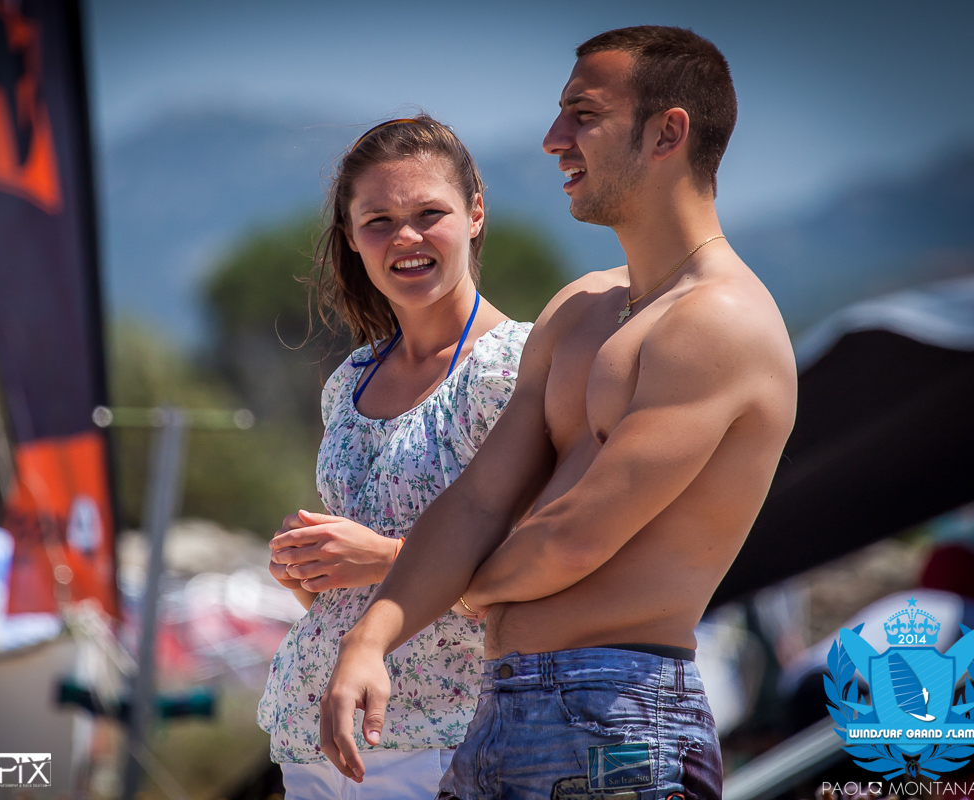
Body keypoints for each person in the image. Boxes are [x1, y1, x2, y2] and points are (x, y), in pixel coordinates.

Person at [319, 26, 799, 800]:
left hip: (623, 711)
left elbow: (575, 537)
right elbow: (477, 500)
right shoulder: (581, 308)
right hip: (505, 708)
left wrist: (441, 587)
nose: (553, 139)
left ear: (667, 133)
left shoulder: (719, 320)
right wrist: (369, 638)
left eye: (583, 114)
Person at [256, 115, 533, 800]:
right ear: (351, 237)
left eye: (428, 214)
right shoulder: (351, 378)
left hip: (443, 739)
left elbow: (542, 563)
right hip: (312, 735)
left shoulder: (513, 366)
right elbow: (350, 582)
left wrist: (380, 557)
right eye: (379, 221)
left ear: (475, 214)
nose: (406, 238)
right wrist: (310, 567)